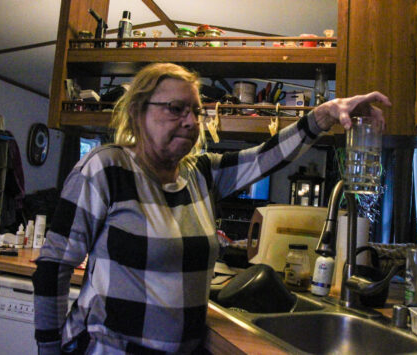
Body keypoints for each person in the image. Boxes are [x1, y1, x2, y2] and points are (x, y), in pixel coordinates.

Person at [32, 62, 391, 354]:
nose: (190, 121)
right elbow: (53, 265)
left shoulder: (201, 173)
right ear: (139, 112)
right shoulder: (106, 168)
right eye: (175, 109)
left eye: (195, 111)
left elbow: (265, 157)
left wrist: (326, 114)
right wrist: (49, 350)